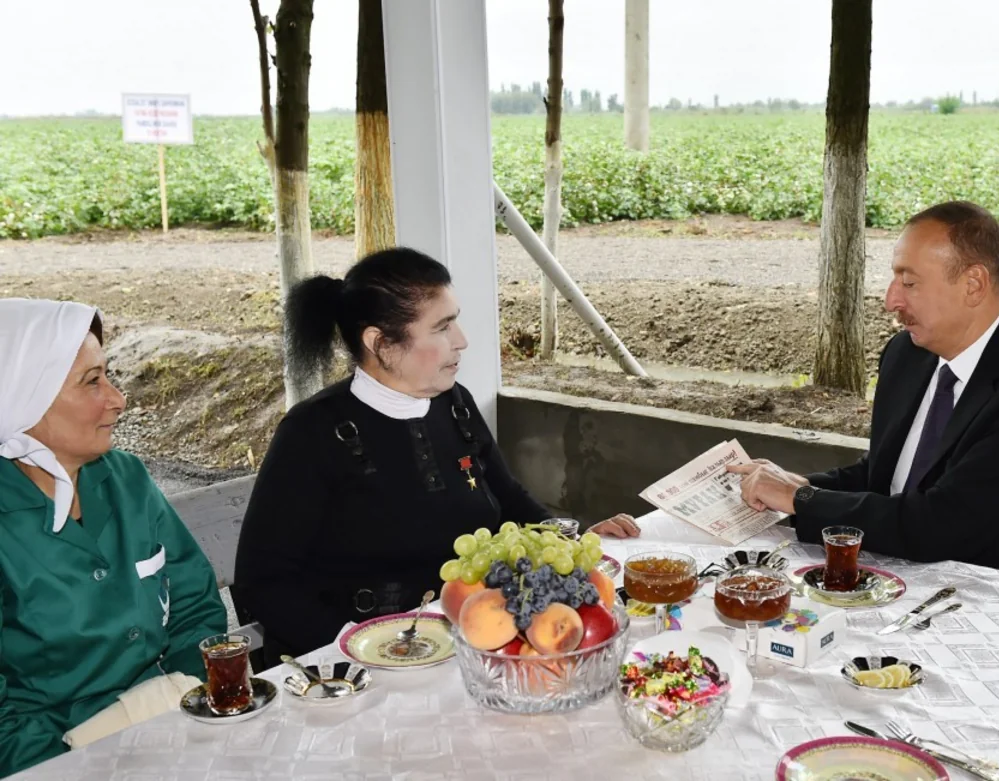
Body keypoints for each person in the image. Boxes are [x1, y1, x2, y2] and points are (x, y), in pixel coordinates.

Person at [234, 247, 639, 664]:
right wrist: (356, 645)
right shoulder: (312, 431)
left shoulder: (454, 403)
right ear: (380, 343)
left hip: (466, 637)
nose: (461, 340)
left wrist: (572, 542)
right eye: (443, 327)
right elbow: (263, 581)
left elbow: (509, 500)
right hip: (357, 663)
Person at [731, 201, 999, 585]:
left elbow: (943, 523)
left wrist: (801, 499)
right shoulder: (907, 354)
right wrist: (795, 485)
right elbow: (883, 477)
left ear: (973, 284)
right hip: (902, 570)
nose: (891, 300)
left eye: (909, 283)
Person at [0, 299, 227, 777]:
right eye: (92, 382)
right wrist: (67, 766)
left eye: (109, 376)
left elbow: (194, 605)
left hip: (172, 718)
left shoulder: (126, 478)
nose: (118, 399)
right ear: (22, 395)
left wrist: (189, 697)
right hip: (50, 755)